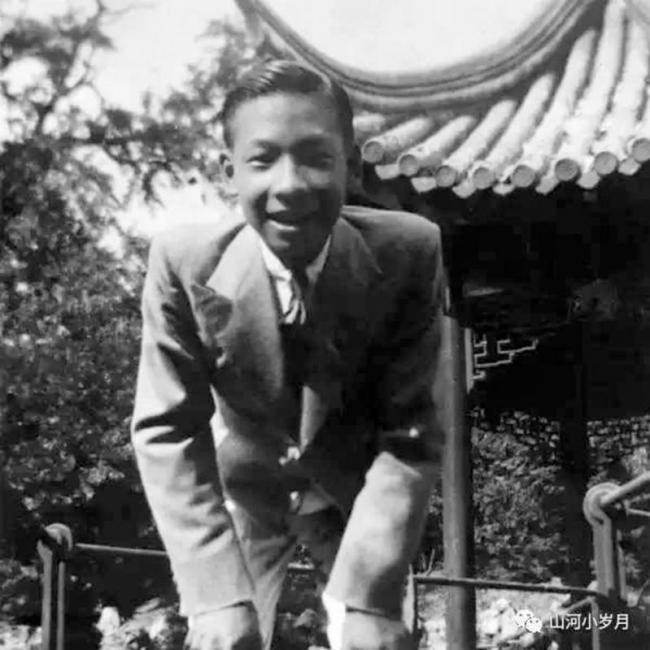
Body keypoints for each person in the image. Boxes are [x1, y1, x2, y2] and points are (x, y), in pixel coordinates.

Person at [131, 59, 445, 650]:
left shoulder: (410, 252)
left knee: (374, 640)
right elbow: (167, 428)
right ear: (228, 173)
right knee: (223, 637)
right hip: (246, 491)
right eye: (262, 160)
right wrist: (216, 598)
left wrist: (369, 599)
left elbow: (411, 433)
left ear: (351, 167)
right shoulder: (182, 264)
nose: (291, 184)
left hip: (356, 495)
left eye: (316, 158)